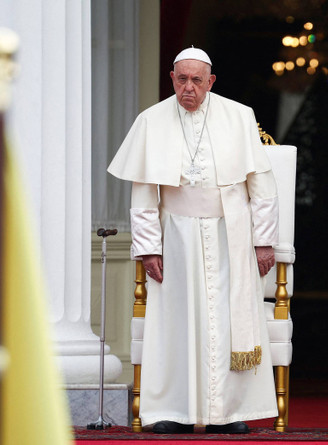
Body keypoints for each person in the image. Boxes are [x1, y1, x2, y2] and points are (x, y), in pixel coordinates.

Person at [108, 47, 279, 434]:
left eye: (196, 80)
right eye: (181, 79)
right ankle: (171, 409)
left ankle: (229, 413)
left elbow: (262, 187)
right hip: (177, 236)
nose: (188, 88)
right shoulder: (151, 121)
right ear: (172, 78)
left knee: (228, 322)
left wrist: (263, 241)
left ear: (210, 82)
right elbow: (144, 192)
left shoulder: (239, 115)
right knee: (175, 322)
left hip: (230, 233)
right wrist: (150, 247)